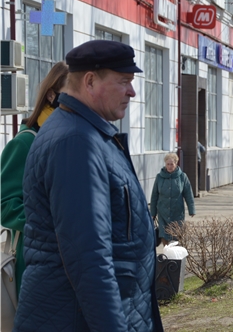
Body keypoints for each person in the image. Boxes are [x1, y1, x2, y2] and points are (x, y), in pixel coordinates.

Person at [15, 40, 163, 331]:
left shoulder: (87, 133)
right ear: (90, 81)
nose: (132, 91)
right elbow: (88, 257)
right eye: (124, 82)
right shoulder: (76, 141)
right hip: (76, 318)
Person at [1, 61, 68, 296]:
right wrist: (47, 226)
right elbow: (6, 205)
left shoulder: (71, 141)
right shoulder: (24, 143)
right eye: (70, 94)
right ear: (52, 95)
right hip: (34, 261)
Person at [150, 152, 196, 246]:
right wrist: (152, 213)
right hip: (162, 211)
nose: (170, 166)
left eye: (172, 164)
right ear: (165, 164)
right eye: (168, 164)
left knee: (176, 235)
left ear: (176, 164)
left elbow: (188, 194)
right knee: (164, 234)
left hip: (177, 211)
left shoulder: (182, 177)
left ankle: (175, 256)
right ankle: (167, 254)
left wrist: (192, 210)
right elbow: (154, 195)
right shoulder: (159, 177)